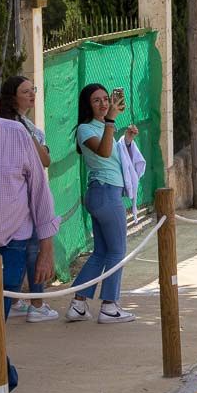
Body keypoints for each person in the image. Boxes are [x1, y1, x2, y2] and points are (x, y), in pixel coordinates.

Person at [0, 73, 57, 392]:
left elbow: (40, 195)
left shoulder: (18, 135)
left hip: (8, 251)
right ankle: (5, 373)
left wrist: (46, 251)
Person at [66, 83, 136, 323]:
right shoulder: (86, 129)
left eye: (106, 99)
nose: (104, 103)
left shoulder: (103, 127)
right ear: (87, 105)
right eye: (97, 100)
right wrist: (111, 121)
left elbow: (113, 154)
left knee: (102, 252)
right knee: (117, 251)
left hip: (105, 193)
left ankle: (78, 304)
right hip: (104, 194)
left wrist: (125, 140)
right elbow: (104, 153)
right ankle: (109, 306)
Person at [0, 76, 57, 323]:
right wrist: (28, 136)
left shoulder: (26, 124)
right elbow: (44, 159)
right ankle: (37, 303)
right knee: (31, 250)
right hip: (24, 199)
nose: (32, 95)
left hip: (28, 194)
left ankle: (18, 299)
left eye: (33, 90)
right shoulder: (13, 127)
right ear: (12, 98)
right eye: (25, 91)